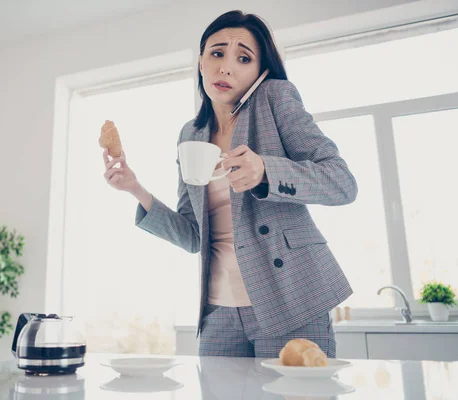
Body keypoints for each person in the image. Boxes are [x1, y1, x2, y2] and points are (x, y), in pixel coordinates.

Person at [102, 10, 357, 358]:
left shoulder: (275, 99)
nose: (226, 67)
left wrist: (266, 170)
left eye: (243, 58)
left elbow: (342, 182)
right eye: (217, 53)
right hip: (219, 309)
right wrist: (136, 189)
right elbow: (194, 235)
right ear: (201, 63)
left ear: (259, 71)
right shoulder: (189, 134)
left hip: (291, 298)